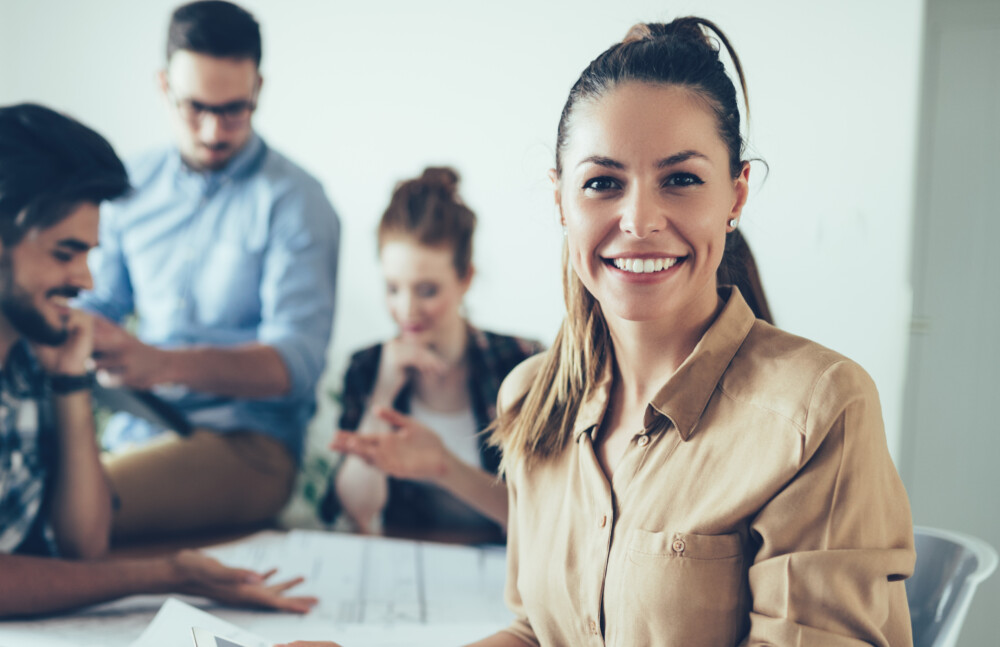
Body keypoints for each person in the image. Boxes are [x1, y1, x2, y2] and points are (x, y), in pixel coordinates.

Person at [281, 15, 915, 647]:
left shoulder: (819, 409)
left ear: (736, 195)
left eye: (682, 179)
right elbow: (535, 633)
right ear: (561, 199)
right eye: (603, 183)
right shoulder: (532, 400)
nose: (638, 219)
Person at [0, 103, 316, 618]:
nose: (85, 281)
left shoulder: (36, 352)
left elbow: (85, 545)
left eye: (88, 255)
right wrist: (167, 575)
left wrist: (68, 383)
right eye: (64, 253)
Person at [77, 0, 340, 540]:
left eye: (234, 109)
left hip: (249, 448)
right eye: (194, 107)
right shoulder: (128, 186)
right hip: (136, 427)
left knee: (74, 511)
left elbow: (297, 363)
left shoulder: (297, 201)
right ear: (162, 86)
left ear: (259, 89)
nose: (214, 130)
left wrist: (162, 363)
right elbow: (97, 299)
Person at [319, 167, 542, 540]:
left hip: (501, 570)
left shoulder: (519, 363)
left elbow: (543, 516)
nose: (406, 309)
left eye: (426, 291)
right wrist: (383, 390)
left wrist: (444, 467)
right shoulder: (368, 365)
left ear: (465, 278)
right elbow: (358, 512)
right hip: (406, 566)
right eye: (392, 288)